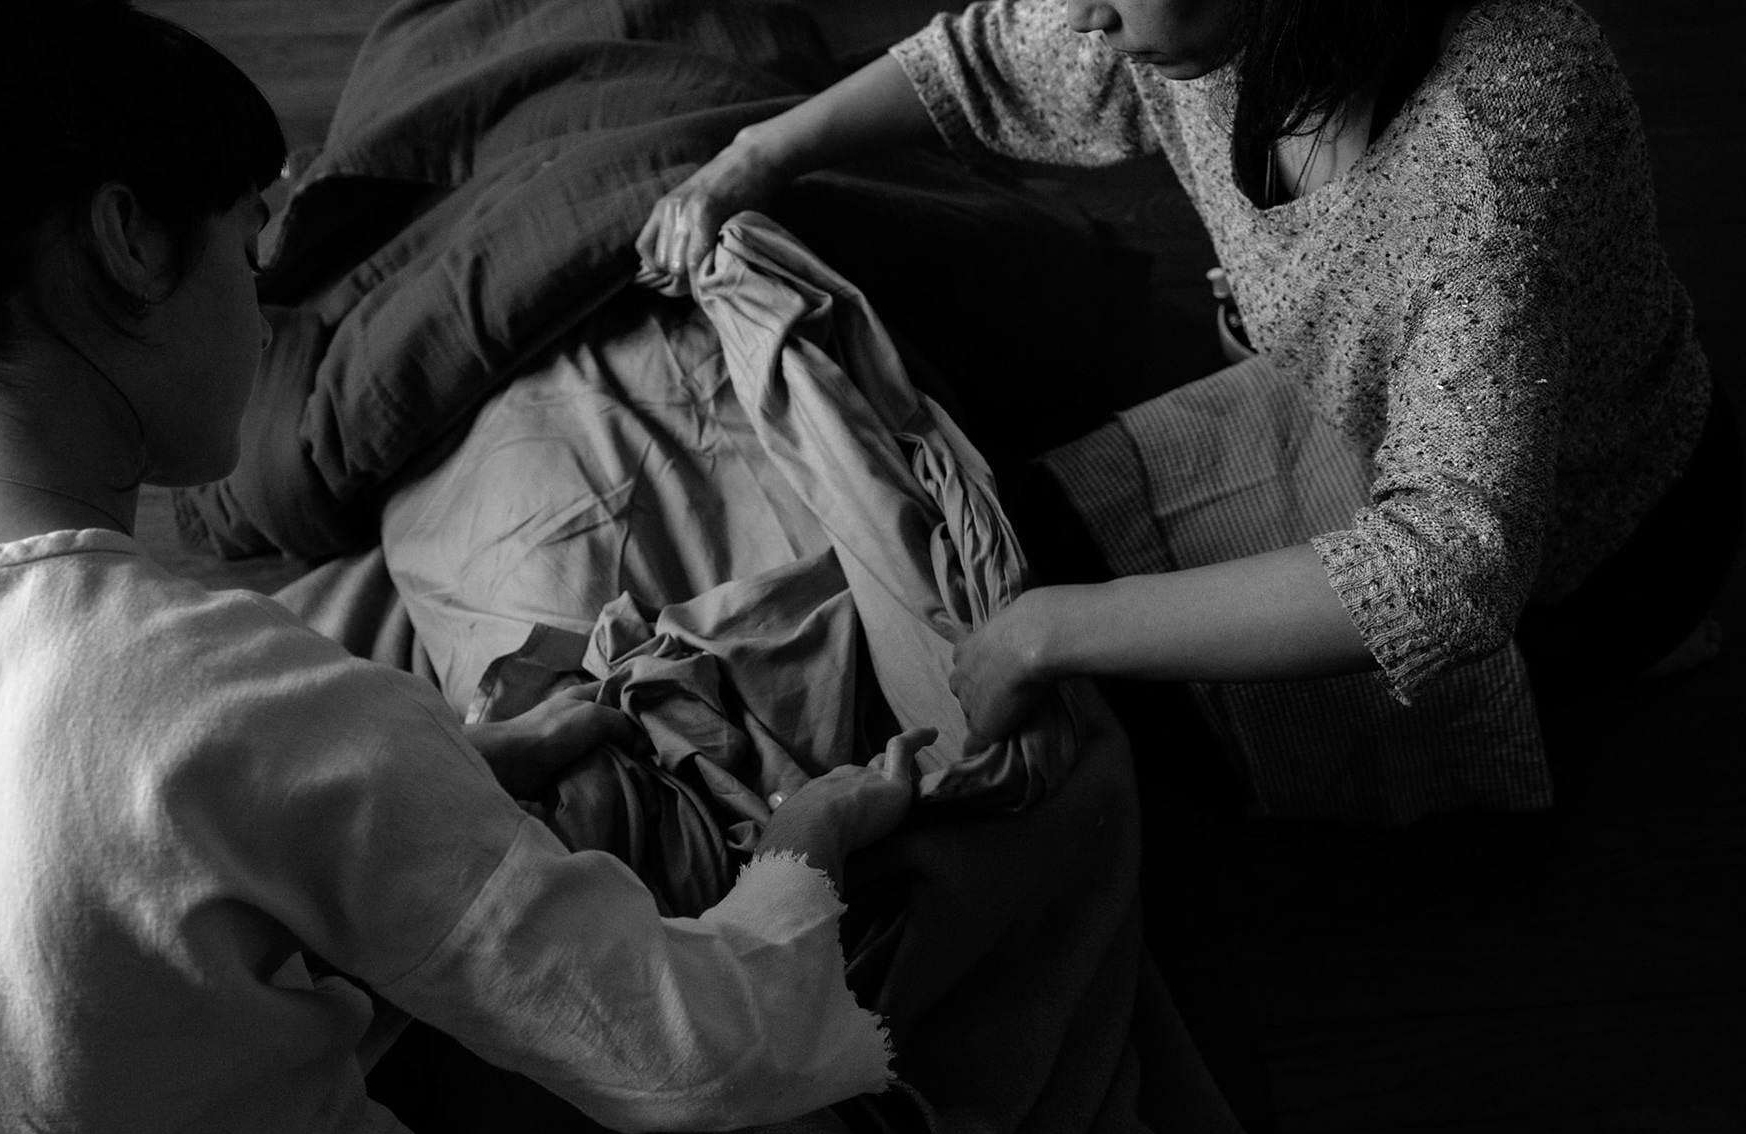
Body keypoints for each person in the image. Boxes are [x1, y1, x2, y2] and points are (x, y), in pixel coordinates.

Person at [0, 2, 935, 1134]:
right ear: (126, 242)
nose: (263, 317)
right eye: (248, 246)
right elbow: (701, 1048)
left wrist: (429, 774)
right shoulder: (247, 697)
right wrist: (804, 850)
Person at [637, 0, 1739, 758]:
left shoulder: (1495, 136)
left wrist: (1049, 633)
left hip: (1599, 549)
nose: (1081, 16)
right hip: (1361, 410)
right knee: (1026, 547)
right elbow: (985, 62)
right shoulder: (1198, 21)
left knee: (1130, 721)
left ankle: (1662, 639)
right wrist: (752, 158)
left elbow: (1448, 569)